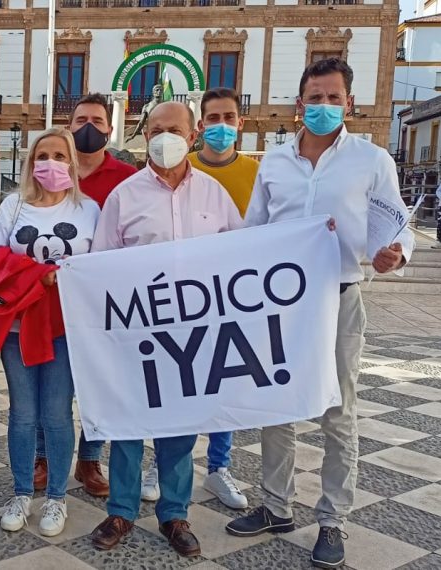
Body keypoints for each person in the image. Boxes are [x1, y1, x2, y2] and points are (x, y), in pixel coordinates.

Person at [225, 58, 413, 570]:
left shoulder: (372, 161)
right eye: (316, 98)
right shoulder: (276, 162)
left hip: (341, 298)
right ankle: (276, 505)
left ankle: (332, 520)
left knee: (338, 413)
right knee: (277, 407)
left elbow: (397, 226)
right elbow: (254, 230)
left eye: (335, 98)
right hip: (280, 306)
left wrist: (395, 253)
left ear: (349, 103)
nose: (325, 107)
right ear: (299, 104)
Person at [88, 102, 243, 557]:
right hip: (136, 335)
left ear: (193, 134)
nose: (164, 137)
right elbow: (102, 265)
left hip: (193, 337)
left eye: (173, 129)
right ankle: (121, 511)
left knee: (180, 428)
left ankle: (175, 516)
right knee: (128, 426)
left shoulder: (215, 195)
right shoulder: (125, 195)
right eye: (155, 130)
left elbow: (240, 256)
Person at [141, 87, 260, 511]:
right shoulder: (167, 172)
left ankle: (218, 467)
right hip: (163, 307)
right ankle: (162, 463)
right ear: (202, 127)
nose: (222, 126)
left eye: (230, 117)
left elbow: (258, 232)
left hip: (223, 302)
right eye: (215, 118)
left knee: (218, 388)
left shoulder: (253, 172)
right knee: (168, 389)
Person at [0, 127, 101, 537]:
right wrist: (38, 276)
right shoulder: (14, 206)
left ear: (71, 161)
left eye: (58, 154)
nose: (50, 163)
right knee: (22, 414)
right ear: (31, 162)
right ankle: (21, 492)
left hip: (66, 329)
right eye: (42, 155)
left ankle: (56, 497)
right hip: (18, 327)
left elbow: (101, 266)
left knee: (56, 414)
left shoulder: (88, 210)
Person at [30, 93, 139, 499]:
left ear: (110, 129)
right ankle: (42, 456)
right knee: (47, 384)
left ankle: (90, 459)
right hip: (48, 304)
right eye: (79, 120)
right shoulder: (51, 170)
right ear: (68, 125)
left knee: (96, 383)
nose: (87, 127)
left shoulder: (126, 176)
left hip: (101, 304)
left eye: (96, 119)